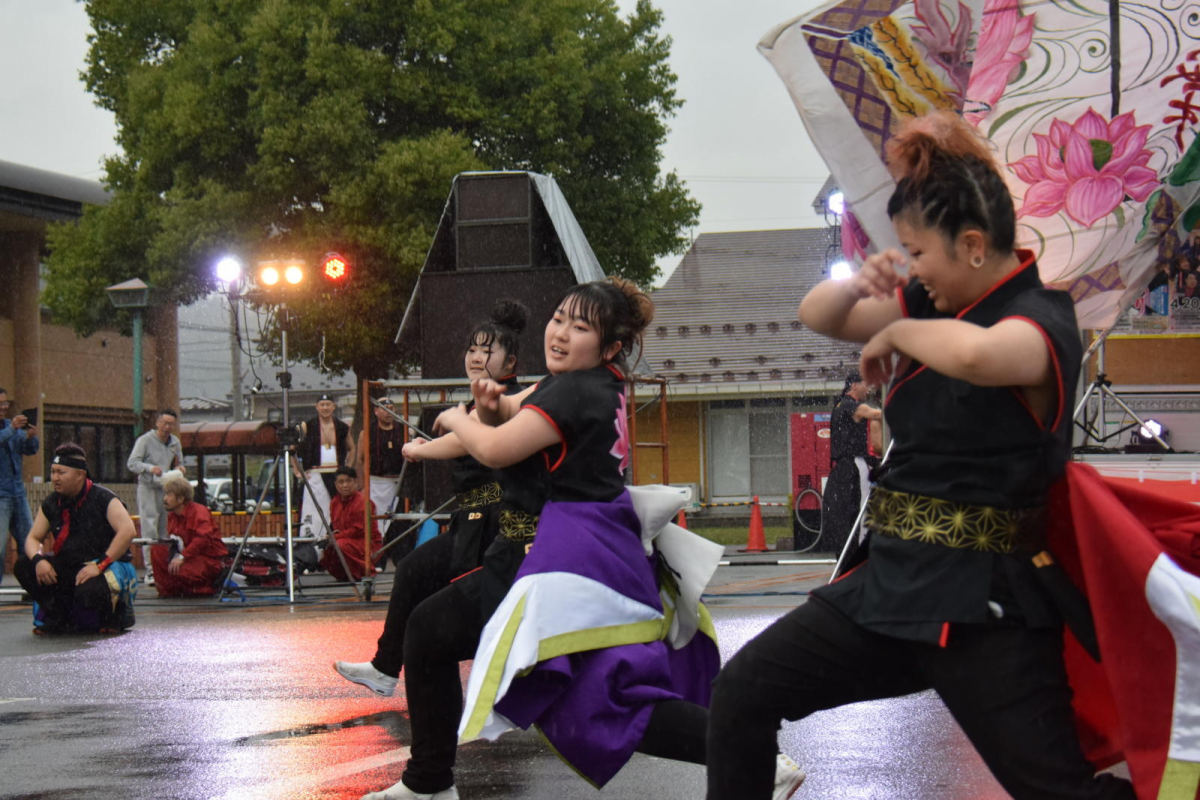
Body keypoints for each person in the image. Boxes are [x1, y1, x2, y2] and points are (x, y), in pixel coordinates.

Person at [705, 111, 1134, 799]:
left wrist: (901, 326)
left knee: (1061, 793)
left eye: (918, 252)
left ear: (970, 245)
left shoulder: (1044, 319)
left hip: (986, 608)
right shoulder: (929, 302)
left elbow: (978, 355)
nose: (913, 270)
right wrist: (862, 284)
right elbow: (820, 315)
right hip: (890, 587)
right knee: (740, 694)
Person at [333, 300, 539, 694]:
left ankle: (515, 684)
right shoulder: (484, 397)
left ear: (510, 360)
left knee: (455, 616)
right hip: (474, 523)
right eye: (472, 349)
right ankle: (387, 669)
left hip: (501, 530)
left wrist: (419, 449)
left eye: (487, 350)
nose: (476, 357)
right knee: (414, 573)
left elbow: (462, 440)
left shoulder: (505, 398)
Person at [14, 443, 138, 634]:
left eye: (61, 472)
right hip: (71, 565)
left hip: (105, 566)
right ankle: (59, 616)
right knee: (24, 565)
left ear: (80, 474)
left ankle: (112, 616)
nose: (55, 478)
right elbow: (33, 537)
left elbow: (128, 531)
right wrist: (38, 560)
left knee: (89, 590)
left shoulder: (103, 497)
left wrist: (100, 565)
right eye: (53, 472)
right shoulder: (51, 502)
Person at [820, 371, 881, 555]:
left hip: (841, 466)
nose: (868, 389)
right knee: (862, 510)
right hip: (855, 464)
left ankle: (846, 552)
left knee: (846, 511)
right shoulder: (850, 405)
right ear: (854, 385)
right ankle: (860, 552)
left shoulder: (839, 404)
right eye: (865, 384)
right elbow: (874, 414)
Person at [127, 408, 184, 584]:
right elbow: (132, 463)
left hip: (166, 487)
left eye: (171, 424)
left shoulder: (175, 442)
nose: (167, 427)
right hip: (147, 486)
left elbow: (180, 462)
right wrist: (149, 468)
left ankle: (162, 567)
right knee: (149, 526)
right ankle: (150, 569)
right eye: (164, 423)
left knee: (164, 528)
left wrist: (180, 469)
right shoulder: (145, 440)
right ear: (157, 423)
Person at [151, 475, 228, 597]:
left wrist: (181, 558)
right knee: (157, 550)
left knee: (181, 570)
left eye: (169, 495)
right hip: (189, 556)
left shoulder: (199, 512)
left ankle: (202, 588)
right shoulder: (173, 516)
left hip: (209, 559)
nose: (164, 499)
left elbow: (203, 539)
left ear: (180, 499)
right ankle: (169, 591)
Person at [294, 394, 356, 544]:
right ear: (317, 407)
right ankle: (308, 547)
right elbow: (292, 449)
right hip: (314, 473)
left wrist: (347, 468)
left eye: (328, 404)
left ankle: (337, 545)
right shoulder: (306, 426)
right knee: (313, 512)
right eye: (322, 405)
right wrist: (297, 471)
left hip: (336, 473)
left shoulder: (341, 427)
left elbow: (352, 449)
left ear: (334, 406)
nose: (325, 408)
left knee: (337, 511)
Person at [0, 388, 39, 584]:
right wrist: (12, 429)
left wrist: (31, 437)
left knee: (28, 542)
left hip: (18, 493)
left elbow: (29, 450)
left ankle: (32, 587)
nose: (4, 408)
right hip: (1, 496)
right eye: (0, 404)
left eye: (5, 403)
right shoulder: (10, 428)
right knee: (0, 547)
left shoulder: (11, 426)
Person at [319, 466, 381, 582]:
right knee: (326, 550)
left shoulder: (362, 502)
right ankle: (347, 575)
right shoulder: (334, 503)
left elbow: (358, 530)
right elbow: (336, 527)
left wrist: (333, 538)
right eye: (341, 482)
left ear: (355, 482)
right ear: (336, 484)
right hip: (344, 540)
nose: (345, 485)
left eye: (348, 481)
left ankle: (365, 572)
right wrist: (330, 538)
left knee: (340, 545)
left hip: (367, 543)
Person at [357, 396, 405, 518]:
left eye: (391, 408)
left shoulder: (403, 430)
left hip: (398, 482)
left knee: (399, 519)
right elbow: (360, 460)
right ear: (376, 411)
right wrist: (362, 485)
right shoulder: (367, 432)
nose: (388, 412)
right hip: (376, 483)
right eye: (384, 408)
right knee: (376, 517)